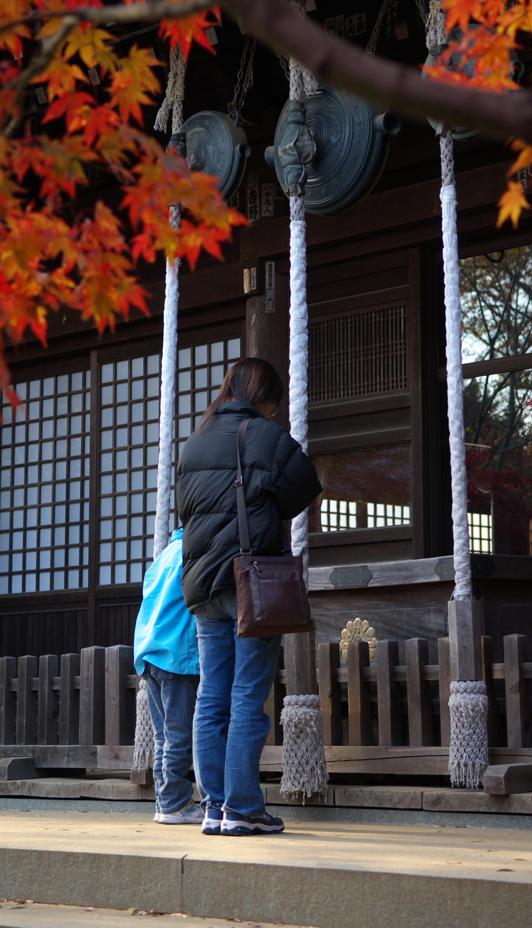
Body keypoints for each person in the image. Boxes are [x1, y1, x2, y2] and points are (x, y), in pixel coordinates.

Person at [177, 357, 322, 837]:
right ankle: (242, 807)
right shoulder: (264, 436)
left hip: (202, 584)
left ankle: (214, 806)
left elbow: (189, 510)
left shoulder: (194, 442)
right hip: (251, 583)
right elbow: (305, 488)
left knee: (210, 697)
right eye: (273, 404)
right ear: (265, 397)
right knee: (245, 697)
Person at [133, 527, 202, 824]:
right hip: (176, 653)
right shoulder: (191, 554)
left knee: (165, 737)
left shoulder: (163, 557)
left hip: (150, 652)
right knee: (178, 735)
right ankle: (175, 803)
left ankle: (166, 802)